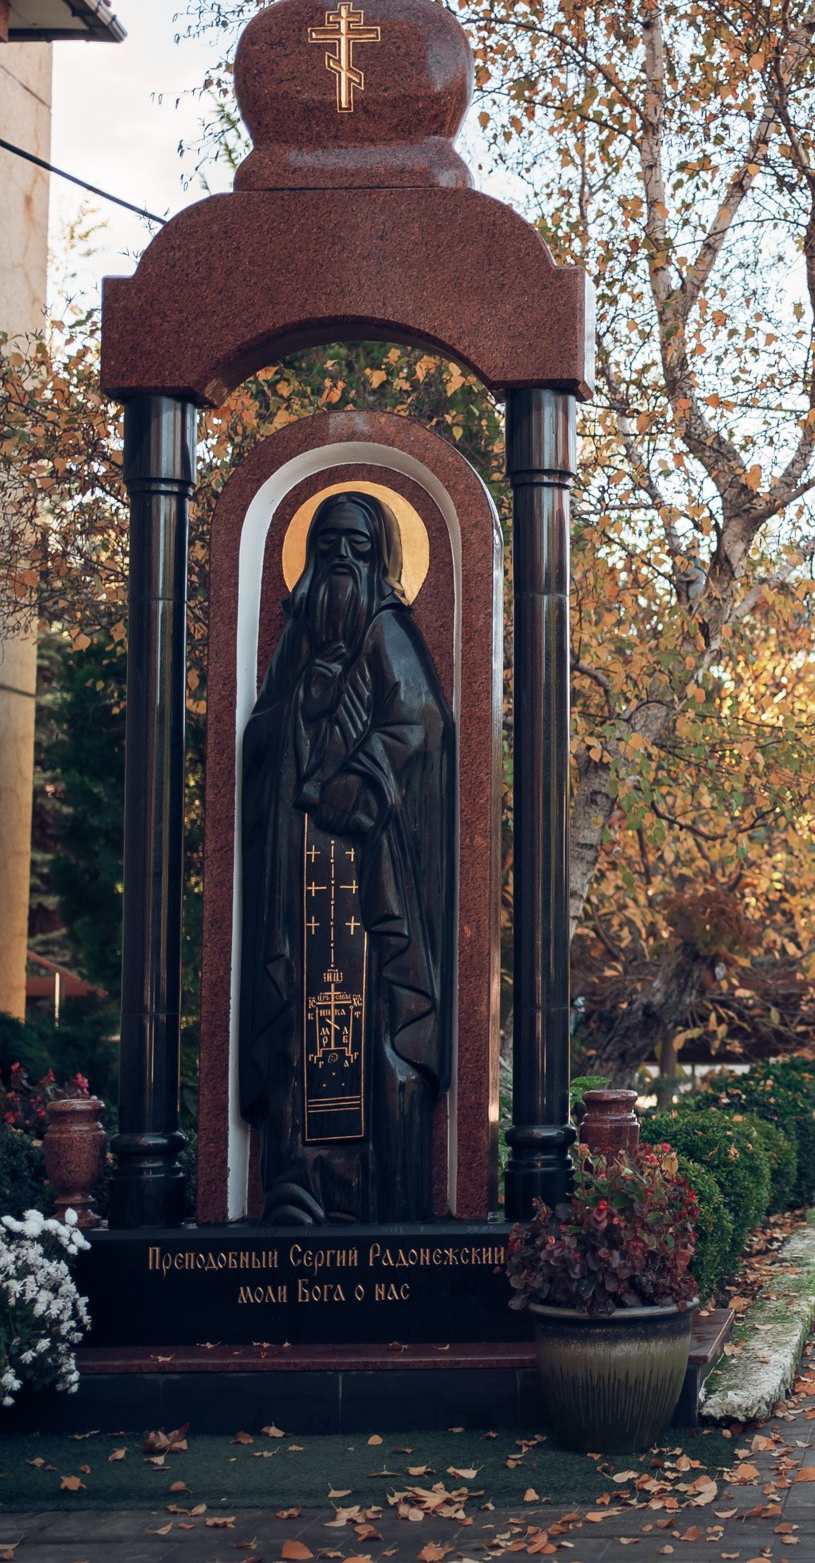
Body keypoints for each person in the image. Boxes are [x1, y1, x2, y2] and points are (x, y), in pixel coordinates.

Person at [238, 491, 456, 1225]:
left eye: (356, 546)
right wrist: (303, 704)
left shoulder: (390, 630)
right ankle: (298, 1185)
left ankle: (377, 1190)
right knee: (300, 1018)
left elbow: (422, 721)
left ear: (380, 557)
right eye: (326, 543)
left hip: (369, 865)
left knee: (374, 1015)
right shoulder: (297, 641)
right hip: (297, 861)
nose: (339, 557)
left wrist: (361, 775)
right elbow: (258, 736)